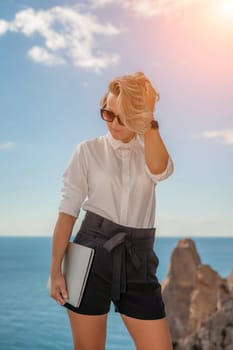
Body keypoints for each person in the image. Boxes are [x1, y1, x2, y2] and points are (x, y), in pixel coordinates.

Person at [49, 71, 174, 350]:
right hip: (90, 253)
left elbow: (161, 171)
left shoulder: (149, 147)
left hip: (138, 257)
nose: (113, 124)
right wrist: (55, 270)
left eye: (122, 116)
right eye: (107, 114)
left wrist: (149, 120)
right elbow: (67, 213)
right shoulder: (87, 151)